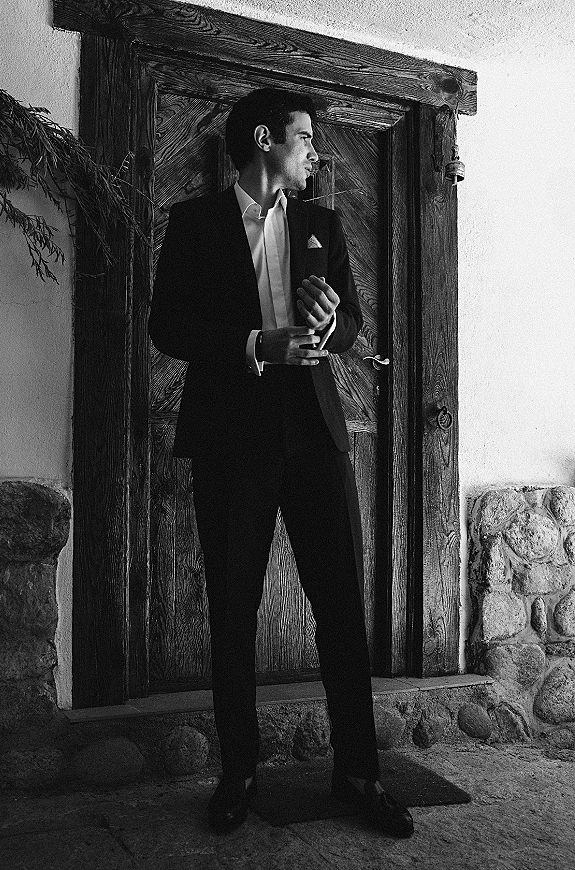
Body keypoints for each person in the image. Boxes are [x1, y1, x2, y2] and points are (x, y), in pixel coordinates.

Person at [149, 87, 413, 838]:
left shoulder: (323, 224)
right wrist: (255, 345)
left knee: (342, 612)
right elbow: (167, 324)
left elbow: (353, 319)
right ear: (264, 139)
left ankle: (359, 771)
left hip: (315, 438)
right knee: (233, 615)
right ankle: (238, 774)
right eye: (305, 138)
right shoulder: (194, 225)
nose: (315, 153)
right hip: (231, 442)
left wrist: (330, 327)